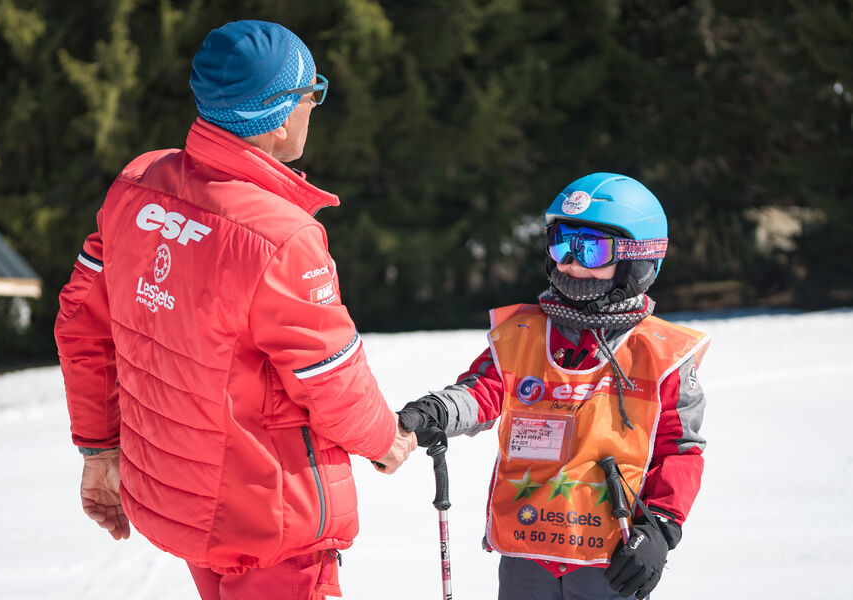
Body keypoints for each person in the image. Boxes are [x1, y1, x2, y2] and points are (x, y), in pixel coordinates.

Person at [54, 20, 416, 600]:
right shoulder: (281, 237)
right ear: (275, 118)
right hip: (271, 520)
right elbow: (329, 376)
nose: (311, 109)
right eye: (309, 94)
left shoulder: (137, 186)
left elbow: (82, 327)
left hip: (184, 507)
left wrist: (100, 449)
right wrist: (384, 439)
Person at [398, 173, 709, 600]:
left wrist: (660, 527)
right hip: (528, 551)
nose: (571, 263)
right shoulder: (523, 334)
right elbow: (483, 391)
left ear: (638, 260)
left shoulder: (662, 354)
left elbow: (679, 449)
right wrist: (433, 412)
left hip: (609, 557)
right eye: (562, 244)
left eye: (592, 250)